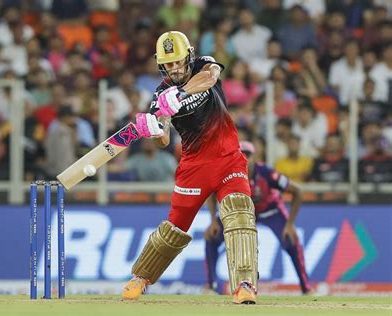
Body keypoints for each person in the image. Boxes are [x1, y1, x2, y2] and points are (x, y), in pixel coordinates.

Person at [122, 31, 258, 304]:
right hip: (194, 167)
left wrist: (181, 94)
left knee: (240, 211)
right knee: (175, 227)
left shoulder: (204, 65)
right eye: (168, 65)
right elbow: (162, 139)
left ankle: (244, 285)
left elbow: (211, 77)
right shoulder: (161, 94)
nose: (174, 68)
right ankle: (140, 278)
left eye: (178, 62)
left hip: (228, 157)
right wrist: (153, 126)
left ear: (189, 56)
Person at [204, 141, 311, 294]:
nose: (244, 159)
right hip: (241, 214)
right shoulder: (226, 173)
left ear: (255, 158)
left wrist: (290, 224)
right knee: (211, 237)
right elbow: (211, 192)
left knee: (291, 240)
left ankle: (306, 288)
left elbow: (298, 191)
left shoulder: (267, 173)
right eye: (240, 155)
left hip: (269, 211)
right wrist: (213, 221)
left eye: (248, 155)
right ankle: (211, 286)